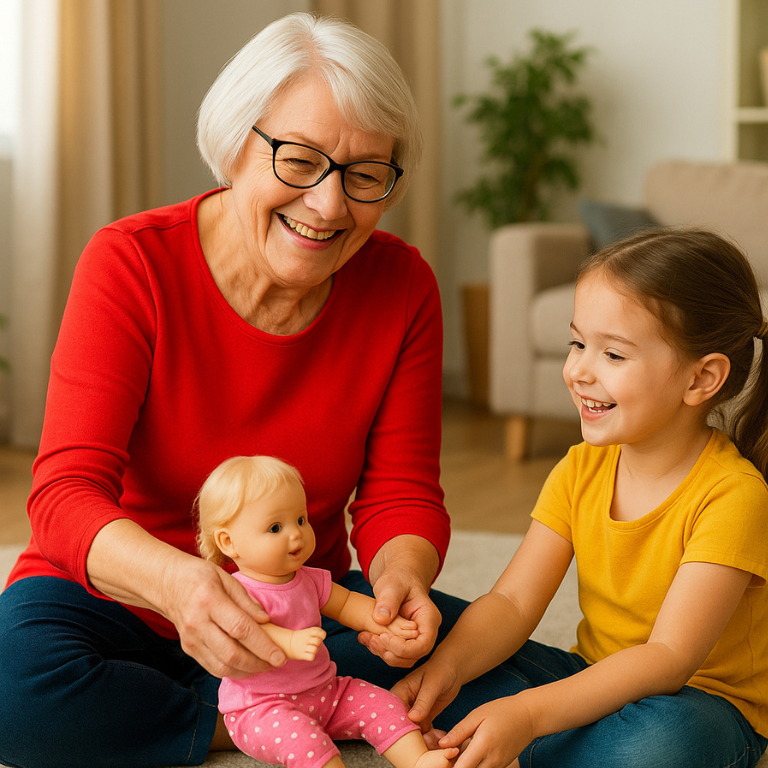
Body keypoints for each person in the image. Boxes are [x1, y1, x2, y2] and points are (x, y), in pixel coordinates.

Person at [0, 12, 503, 768]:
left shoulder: (403, 285)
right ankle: (259, 720)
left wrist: (401, 581)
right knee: (15, 693)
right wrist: (180, 585)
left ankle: (277, 706)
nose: (330, 206)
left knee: (495, 669)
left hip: (297, 604)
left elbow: (400, 491)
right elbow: (65, 494)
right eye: (299, 160)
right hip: (118, 599)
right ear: (237, 144)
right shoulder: (130, 264)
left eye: (366, 173)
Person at [393, 229, 768, 768]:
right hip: (587, 681)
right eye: (577, 344)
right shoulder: (580, 468)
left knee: (662, 746)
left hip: (700, 705)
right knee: (417, 630)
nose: (578, 371)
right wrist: (446, 669)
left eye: (612, 353)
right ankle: (535, 742)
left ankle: (522, 742)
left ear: (701, 378)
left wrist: (525, 715)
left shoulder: (734, 496)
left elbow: (668, 659)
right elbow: (513, 604)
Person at [196, 454, 458, 768]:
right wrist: (290, 642)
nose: (296, 534)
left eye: (301, 520)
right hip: (261, 709)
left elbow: (347, 604)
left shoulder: (309, 578)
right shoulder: (235, 591)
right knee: (307, 743)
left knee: (383, 703)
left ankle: (417, 760)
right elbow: (247, 631)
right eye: (276, 527)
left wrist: (384, 622)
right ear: (229, 542)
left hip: (326, 692)